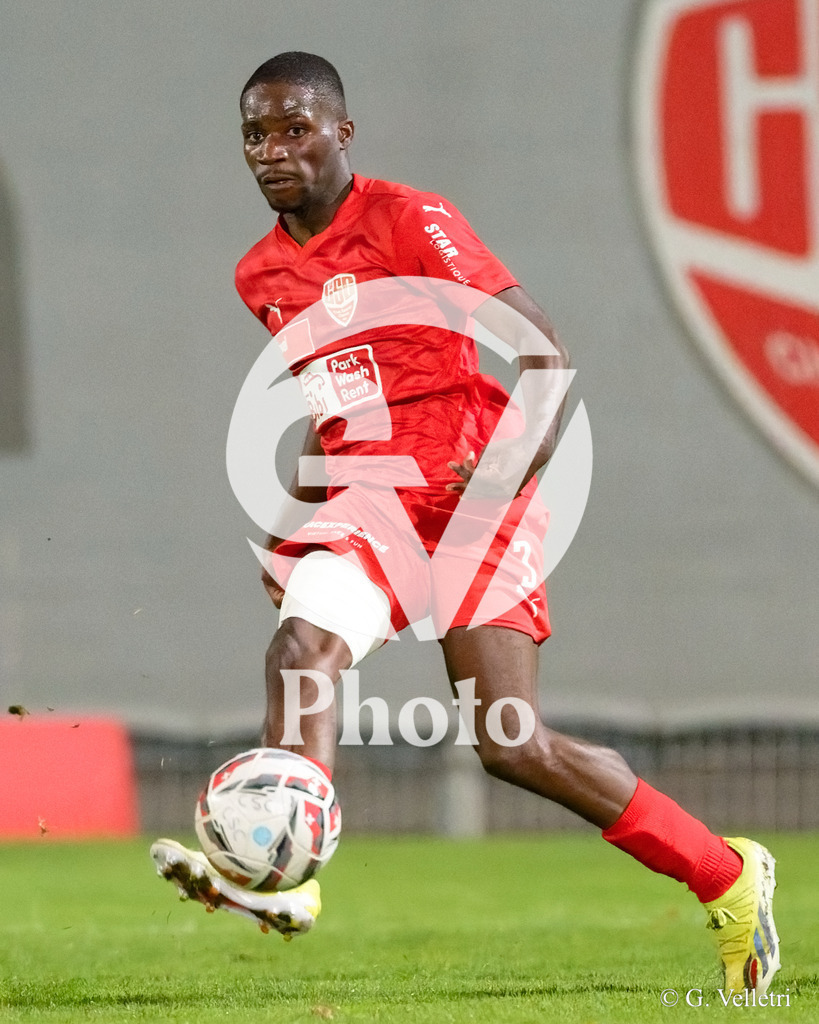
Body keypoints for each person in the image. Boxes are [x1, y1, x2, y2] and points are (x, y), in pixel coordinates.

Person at [152, 52, 779, 994]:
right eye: (255, 133)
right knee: (300, 653)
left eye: (294, 128)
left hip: (473, 486)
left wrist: (502, 476)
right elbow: (337, 408)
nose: (272, 150)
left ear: (341, 133)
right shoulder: (262, 273)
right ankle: (292, 874)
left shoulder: (410, 218)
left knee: (509, 742)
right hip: (369, 493)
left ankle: (726, 876)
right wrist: (291, 522)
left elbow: (542, 352)